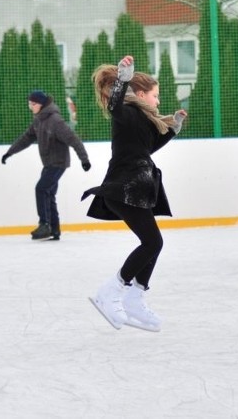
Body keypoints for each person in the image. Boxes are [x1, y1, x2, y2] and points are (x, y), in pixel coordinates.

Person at [82, 55, 187, 331]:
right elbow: (115, 104)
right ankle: (112, 291)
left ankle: (135, 297)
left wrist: (172, 129)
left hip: (136, 189)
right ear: (140, 94)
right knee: (152, 243)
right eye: (156, 95)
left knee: (154, 243)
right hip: (122, 189)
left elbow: (146, 148)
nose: (158, 101)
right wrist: (122, 79)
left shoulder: (142, 119)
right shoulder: (126, 113)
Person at [1, 90, 91, 241]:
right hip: (49, 163)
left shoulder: (55, 121)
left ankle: (45, 224)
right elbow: (26, 138)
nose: (30, 107)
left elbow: (73, 139)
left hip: (58, 163)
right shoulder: (39, 120)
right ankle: (54, 230)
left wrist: (84, 160)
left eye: (33, 104)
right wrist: (10, 153)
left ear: (41, 104)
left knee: (41, 188)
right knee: (48, 193)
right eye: (29, 104)